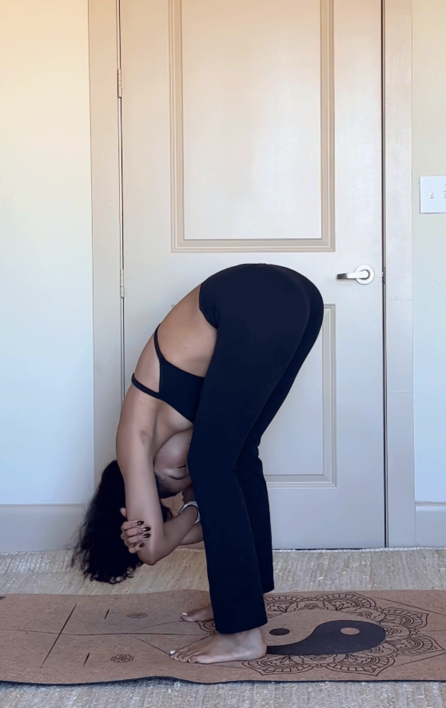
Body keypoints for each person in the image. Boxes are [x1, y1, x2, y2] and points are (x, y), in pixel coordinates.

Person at [73, 263, 324, 665]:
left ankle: (241, 634)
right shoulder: (190, 451)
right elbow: (216, 520)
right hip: (300, 298)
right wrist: (190, 510)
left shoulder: (132, 439)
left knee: (214, 463)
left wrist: (161, 523)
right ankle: (244, 604)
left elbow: (152, 550)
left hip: (254, 294)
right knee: (238, 458)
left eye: (173, 471)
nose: (185, 468)